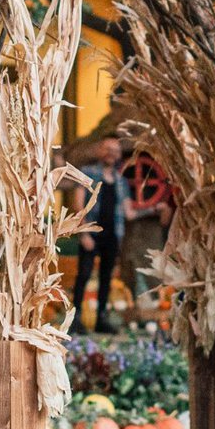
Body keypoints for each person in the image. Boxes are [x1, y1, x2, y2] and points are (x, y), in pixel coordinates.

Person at [72, 136, 133, 333]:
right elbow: (78, 204)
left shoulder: (121, 182)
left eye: (115, 150)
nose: (111, 153)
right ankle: (75, 319)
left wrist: (156, 208)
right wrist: (84, 233)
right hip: (91, 232)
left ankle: (101, 319)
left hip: (112, 235)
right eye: (107, 149)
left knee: (107, 277)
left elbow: (129, 212)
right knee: (84, 274)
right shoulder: (88, 173)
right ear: (100, 151)